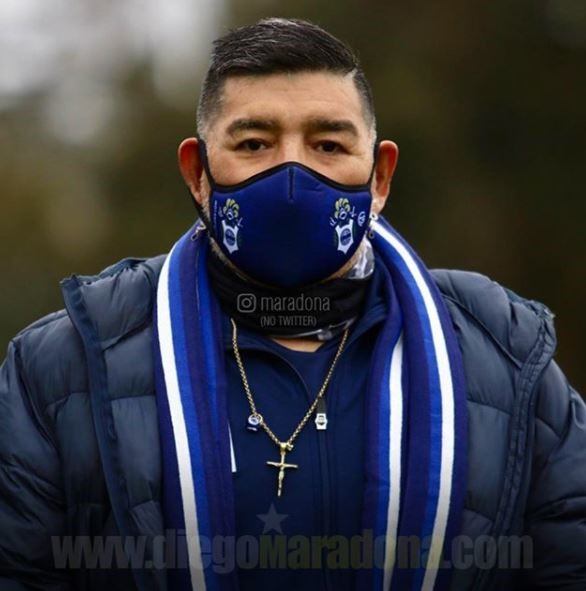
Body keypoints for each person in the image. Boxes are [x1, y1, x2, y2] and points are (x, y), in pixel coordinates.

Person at [0, 16, 584, 591]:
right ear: (198, 173)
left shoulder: (507, 358)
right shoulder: (65, 365)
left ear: (379, 177)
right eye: (254, 143)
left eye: (328, 144)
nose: (291, 175)